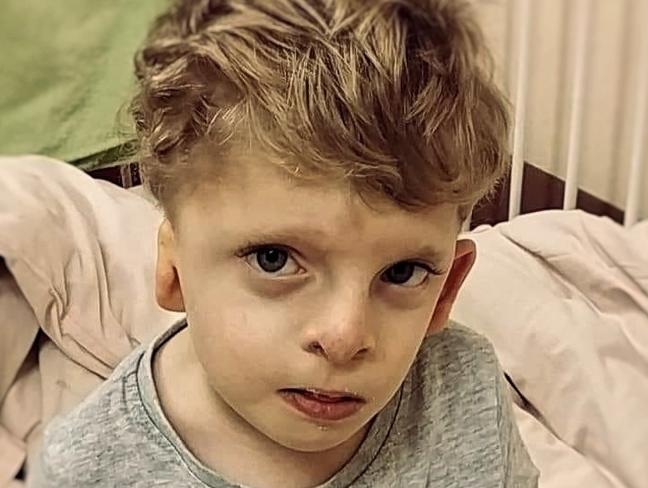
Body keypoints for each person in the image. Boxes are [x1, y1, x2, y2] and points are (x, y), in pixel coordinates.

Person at [31, 0, 539, 486]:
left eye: (402, 272)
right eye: (273, 260)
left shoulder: (465, 392)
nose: (344, 337)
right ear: (174, 270)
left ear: (447, 289)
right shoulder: (86, 469)